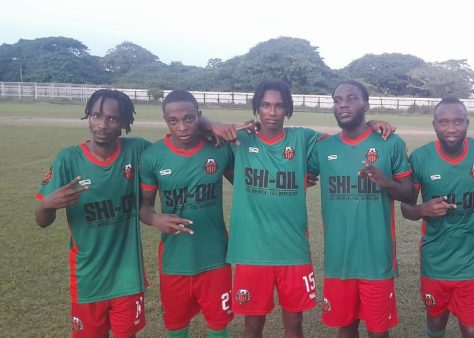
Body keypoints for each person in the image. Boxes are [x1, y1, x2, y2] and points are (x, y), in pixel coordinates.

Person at [226, 79, 396, 338]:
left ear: (288, 109)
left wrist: (370, 123)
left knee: (294, 323)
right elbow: (202, 128)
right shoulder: (240, 139)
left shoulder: (303, 138)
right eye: (266, 105)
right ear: (256, 108)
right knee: (252, 324)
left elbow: (348, 136)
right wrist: (213, 124)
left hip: (293, 250)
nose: (272, 112)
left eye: (279, 106)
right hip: (252, 250)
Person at [34, 89, 150, 338]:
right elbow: (42, 221)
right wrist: (47, 204)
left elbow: (174, 148)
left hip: (127, 276)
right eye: (96, 116)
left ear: (124, 123)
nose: (102, 124)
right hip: (87, 277)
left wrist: (206, 122)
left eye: (112, 118)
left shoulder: (136, 150)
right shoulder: (68, 159)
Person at [308, 80, 414, 338]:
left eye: (352, 98)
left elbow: (410, 194)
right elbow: (296, 173)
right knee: (346, 327)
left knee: (378, 330)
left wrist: (384, 181)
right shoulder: (323, 147)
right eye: (337, 99)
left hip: (376, 258)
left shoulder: (390, 143)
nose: (343, 104)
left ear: (366, 104)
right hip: (339, 257)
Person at [400, 97, 474, 338]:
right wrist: (422, 210)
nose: (450, 128)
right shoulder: (421, 157)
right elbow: (406, 208)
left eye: (458, 121)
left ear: (467, 123)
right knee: (436, 325)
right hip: (435, 262)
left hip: (472, 264)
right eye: (443, 122)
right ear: (434, 124)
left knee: (472, 331)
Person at [139, 90, 234, 338]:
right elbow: (143, 207)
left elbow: (246, 185)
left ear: (199, 117)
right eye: (173, 121)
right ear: (165, 121)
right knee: (177, 329)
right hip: (175, 261)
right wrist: (156, 218)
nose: (182, 127)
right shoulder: (152, 156)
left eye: (189, 119)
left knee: (218, 327)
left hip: (215, 257)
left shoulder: (219, 149)